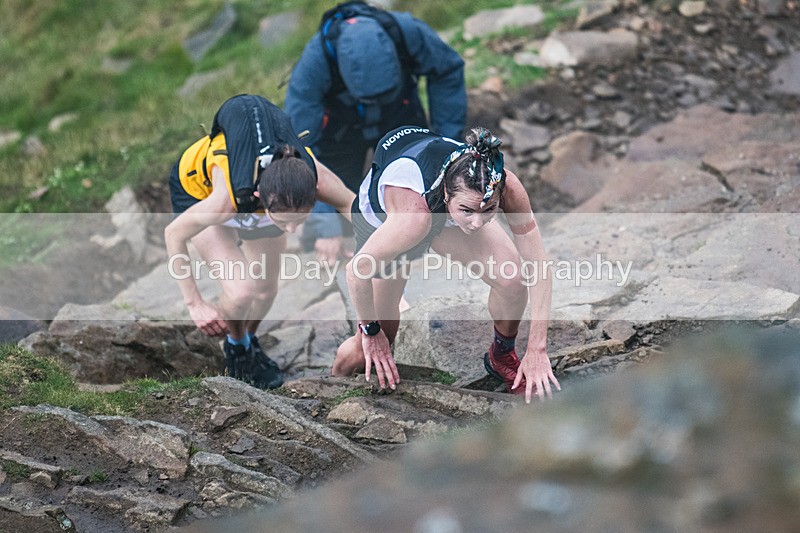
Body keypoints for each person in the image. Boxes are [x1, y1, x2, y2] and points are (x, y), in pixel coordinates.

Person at [333, 126, 559, 404]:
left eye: (489, 210)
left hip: (440, 208)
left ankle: (501, 354)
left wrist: (537, 349)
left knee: (511, 279)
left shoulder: (505, 185)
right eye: (467, 211)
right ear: (447, 195)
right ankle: (333, 383)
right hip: (385, 219)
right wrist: (370, 331)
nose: (477, 223)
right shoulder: (412, 218)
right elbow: (355, 273)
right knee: (375, 343)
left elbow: (538, 264)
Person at [165, 94, 354, 389]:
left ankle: (248, 338)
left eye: (300, 220)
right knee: (242, 291)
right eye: (284, 222)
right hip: (198, 190)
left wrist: (381, 254)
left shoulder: (312, 178)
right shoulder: (226, 201)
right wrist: (195, 304)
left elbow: (352, 205)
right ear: (260, 199)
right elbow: (174, 234)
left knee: (265, 292)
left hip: (262, 203)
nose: (292, 231)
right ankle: (236, 347)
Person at [284, 1, 467, 261]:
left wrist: (448, 146)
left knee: (419, 184)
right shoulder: (313, 66)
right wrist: (325, 224)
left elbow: (446, 69)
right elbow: (301, 148)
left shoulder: (407, 32)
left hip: (398, 114)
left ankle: (423, 231)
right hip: (341, 129)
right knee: (341, 206)